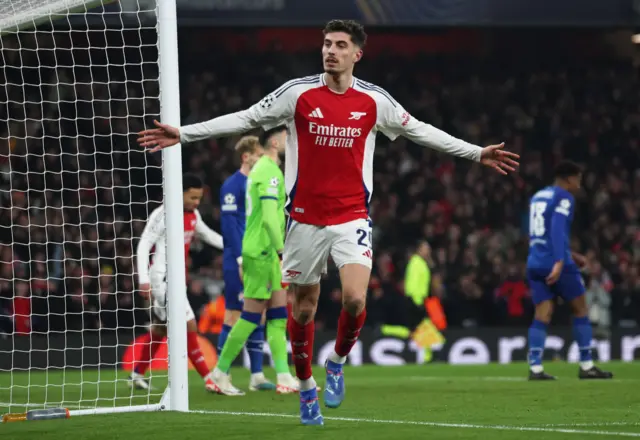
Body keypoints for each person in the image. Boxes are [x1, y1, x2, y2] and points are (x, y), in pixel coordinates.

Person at [138, 19, 519, 425]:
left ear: (357, 54)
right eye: (326, 44)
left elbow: (421, 131)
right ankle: (305, 388)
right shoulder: (298, 94)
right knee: (302, 312)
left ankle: (335, 362)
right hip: (303, 221)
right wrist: (185, 134)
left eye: (340, 45)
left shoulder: (374, 101)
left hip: (351, 216)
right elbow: (247, 118)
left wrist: (477, 153)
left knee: (355, 299)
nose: (330, 51)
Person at [209, 126, 300, 396]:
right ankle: (220, 372)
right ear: (273, 141)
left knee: (277, 315)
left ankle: (283, 374)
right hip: (262, 251)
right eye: (286, 136)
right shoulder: (268, 170)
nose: (290, 139)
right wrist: (284, 251)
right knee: (250, 316)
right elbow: (272, 218)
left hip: (268, 252)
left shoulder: (267, 170)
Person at [130, 174, 223, 392]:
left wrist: (239, 247)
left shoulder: (193, 214)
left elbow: (209, 236)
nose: (196, 202)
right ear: (180, 193)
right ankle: (209, 379)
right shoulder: (162, 214)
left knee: (161, 330)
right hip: (161, 280)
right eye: (192, 197)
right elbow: (144, 245)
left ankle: (137, 373)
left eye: (199, 198)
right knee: (188, 325)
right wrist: (143, 280)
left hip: (178, 281)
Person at [526, 160, 613, 381]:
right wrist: (560, 261)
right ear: (568, 179)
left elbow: (540, 233)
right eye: (578, 179)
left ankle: (535, 368)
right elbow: (556, 229)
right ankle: (586, 365)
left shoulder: (538, 196)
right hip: (556, 262)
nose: (579, 184)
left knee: (542, 313)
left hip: (535, 261)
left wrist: (572, 254)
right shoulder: (564, 197)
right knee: (581, 309)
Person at [218, 136, 276, 391]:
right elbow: (229, 226)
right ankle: (222, 376)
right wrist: (241, 258)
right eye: (257, 154)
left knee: (257, 315)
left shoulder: (256, 183)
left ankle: (256, 376)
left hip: (258, 258)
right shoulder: (233, 185)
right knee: (234, 314)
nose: (262, 157)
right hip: (238, 259)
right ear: (246, 157)